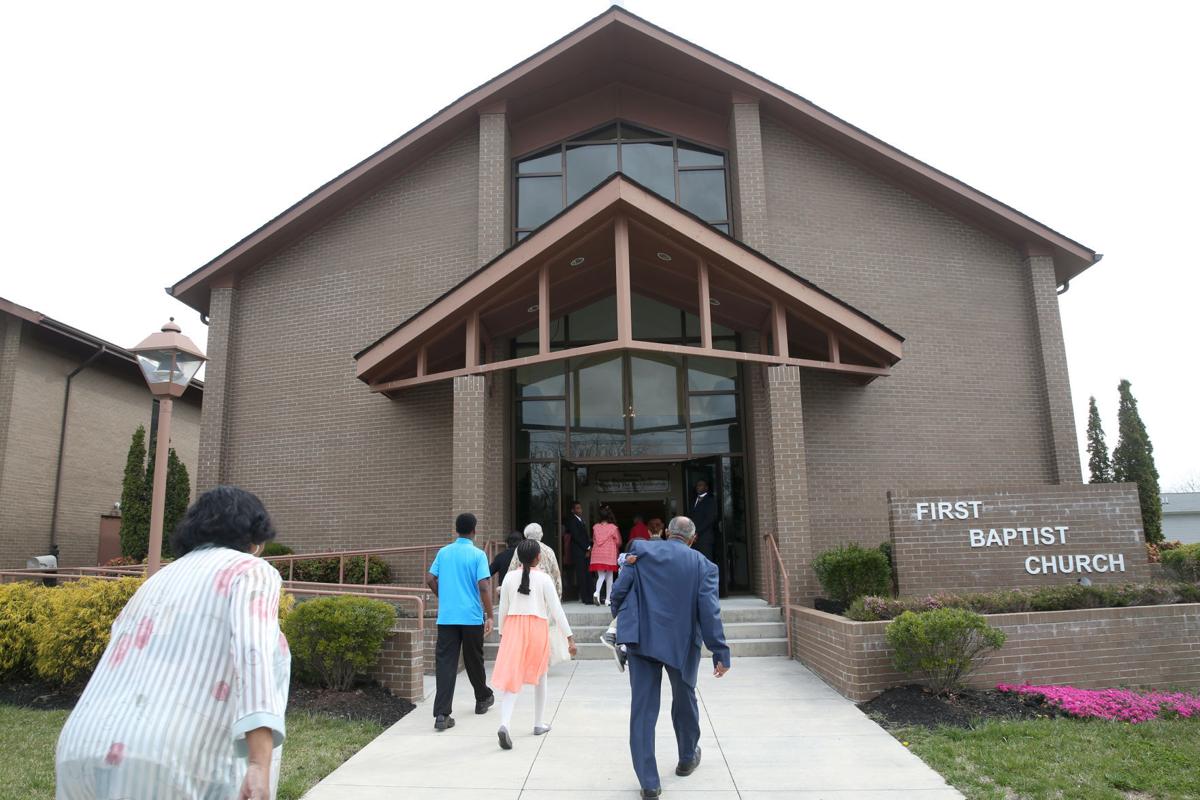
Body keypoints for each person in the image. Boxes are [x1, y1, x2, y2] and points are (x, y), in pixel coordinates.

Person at [55, 486, 289, 800]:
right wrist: (260, 763)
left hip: (81, 748)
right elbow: (253, 654)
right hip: (168, 761)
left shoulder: (156, 581)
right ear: (256, 538)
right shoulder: (250, 571)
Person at [610, 516, 731, 799]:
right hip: (682, 643)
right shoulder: (703, 565)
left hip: (641, 640)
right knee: (685, 698)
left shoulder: (639, 550)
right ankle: (687, 757)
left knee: (642, 711)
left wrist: (620, 617)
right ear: (693, 538)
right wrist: (720, 651)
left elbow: (618, 591)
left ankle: (649, 783)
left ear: (666, 532)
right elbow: (709, 612)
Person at [491, 540, 577, 749]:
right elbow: (557, 610)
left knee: (512, 678)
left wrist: (503, 633)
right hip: (538, 627)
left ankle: (505, 723)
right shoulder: (544, 579)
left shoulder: (510, 577)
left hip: (513, 626)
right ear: (538, 557)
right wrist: (569, 638)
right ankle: (538, 723)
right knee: (541, 676)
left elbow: (503, 609)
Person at [426, 512, 495, 732]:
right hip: (471, 617)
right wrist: (490, 614)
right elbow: (483, 586)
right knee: (474, 658)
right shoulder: (478, 554)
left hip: (447, 617)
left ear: (457, 530)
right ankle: (482, 699)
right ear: (474, 530)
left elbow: (429, 578)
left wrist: (443, 597)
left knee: (446, 663)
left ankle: (442, 714)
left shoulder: (444, 553)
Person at [507, 522, 568, 663]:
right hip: (545, 595)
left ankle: (529, 659)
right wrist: (558, 596)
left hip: (525, 593)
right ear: (540, 535)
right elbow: (556, 575)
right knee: (545, 629)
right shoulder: (549, 551)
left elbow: (512, 570)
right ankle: (542, 659)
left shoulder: (519, 550)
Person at [589, 506, 622, 605]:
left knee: (601, 576)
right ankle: (603, 596)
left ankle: (601, 596)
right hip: (609, 555)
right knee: (609, 577)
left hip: (597, 555)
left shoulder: (595, 527)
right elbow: (618, 541)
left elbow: (594, 539)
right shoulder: (613, 528)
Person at [565, 502, 592, 604]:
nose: (580, 510)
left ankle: (589, 596)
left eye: (580, 508)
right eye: (577, 508)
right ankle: (585, 598)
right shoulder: (572, 521)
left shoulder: (581, 520)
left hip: (584, 551)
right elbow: (576, 537)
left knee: (587, 574)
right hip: (578, 552)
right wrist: (588, 547)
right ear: (573, 510)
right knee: (581, 574)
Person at [690, 480, 718, 563]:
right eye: (697, 485)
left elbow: (710, 519)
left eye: (701, 485)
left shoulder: (710, 501)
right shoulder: (693, 501)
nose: (698, 487)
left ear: (706, 488)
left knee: (706, 562)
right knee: (695, 562)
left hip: (705, 539)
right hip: (693, 539)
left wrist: (696, 531)